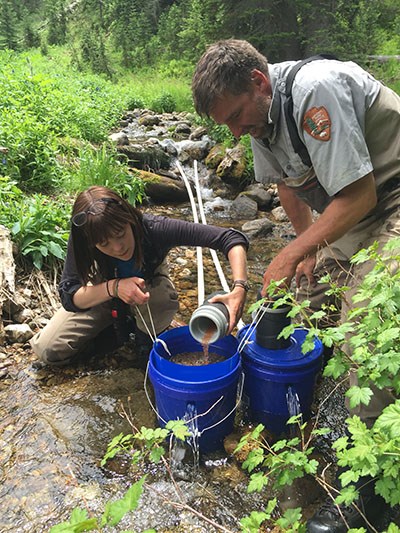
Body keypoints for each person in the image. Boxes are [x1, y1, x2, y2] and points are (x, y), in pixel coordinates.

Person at [192, 39, 400, 532]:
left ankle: (373, 494)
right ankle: (298, 402)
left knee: (362, 332)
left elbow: (361, 192)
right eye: (226, 124)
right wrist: (305, 251)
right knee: (290, 303)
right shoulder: (258, 117)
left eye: (237, 117)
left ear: (259, 83)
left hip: (389, 201)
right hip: (351, 214)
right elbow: (287, 186)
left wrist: (292, 251)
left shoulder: (314, 90)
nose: (236, 131)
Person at [30, 185, 249, 367]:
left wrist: (239, 288)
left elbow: (230, 238)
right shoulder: (84, 238)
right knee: (48, 349)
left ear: (129, 218)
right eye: (104, 244)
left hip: (149, 288)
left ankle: (145, 338)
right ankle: (109, 330)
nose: (117, 248)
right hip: (103, 291)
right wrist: (114, 288)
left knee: (157, 308)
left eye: (120, 234)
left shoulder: (155, 228)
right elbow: (69, 296)